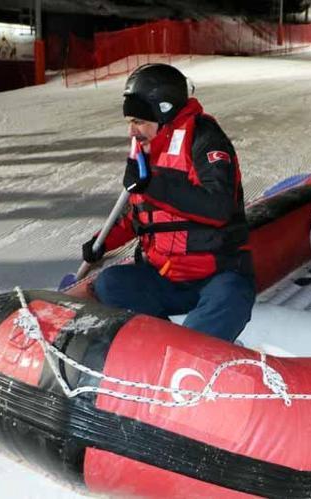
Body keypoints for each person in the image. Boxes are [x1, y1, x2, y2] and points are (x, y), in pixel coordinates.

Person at [81, 63, 255, 342]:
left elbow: (219, 208)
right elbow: (138, 213)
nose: (132, 132)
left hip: (215, 276)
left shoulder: (205, 139)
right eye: (129, 122)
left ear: (163, 111)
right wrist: (102, 242)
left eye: (139, 122)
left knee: (232, 296)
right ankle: (162, 341)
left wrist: (153, 184)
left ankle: (187, 348)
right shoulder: (145, 149)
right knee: (110, 283)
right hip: (164, 276)